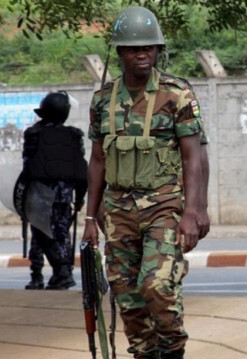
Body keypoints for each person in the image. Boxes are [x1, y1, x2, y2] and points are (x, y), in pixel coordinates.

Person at [81, 6, 205, 359]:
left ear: (157, 51)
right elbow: (98, 160)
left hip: (164, 205)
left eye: (149, 48)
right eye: (134, 48)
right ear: (120, 52)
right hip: (117, 211)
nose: (142, 54)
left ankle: (172, 349)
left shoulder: (176, 93)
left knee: (157, 286)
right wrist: (90, 219)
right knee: (126, 293)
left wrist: (193, 212)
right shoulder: (103, 100)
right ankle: (145, 353)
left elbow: (193, 157)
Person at [22, 91, 87, 290]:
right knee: (60, 234)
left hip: (39, 192)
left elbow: (28, 167)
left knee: (40, 233)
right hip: (65, 195)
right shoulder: (74, 136)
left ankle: (44, 275)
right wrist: (80, 197)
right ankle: (61, 272)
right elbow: (81, 169)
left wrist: (23, 196)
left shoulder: (33, 134)